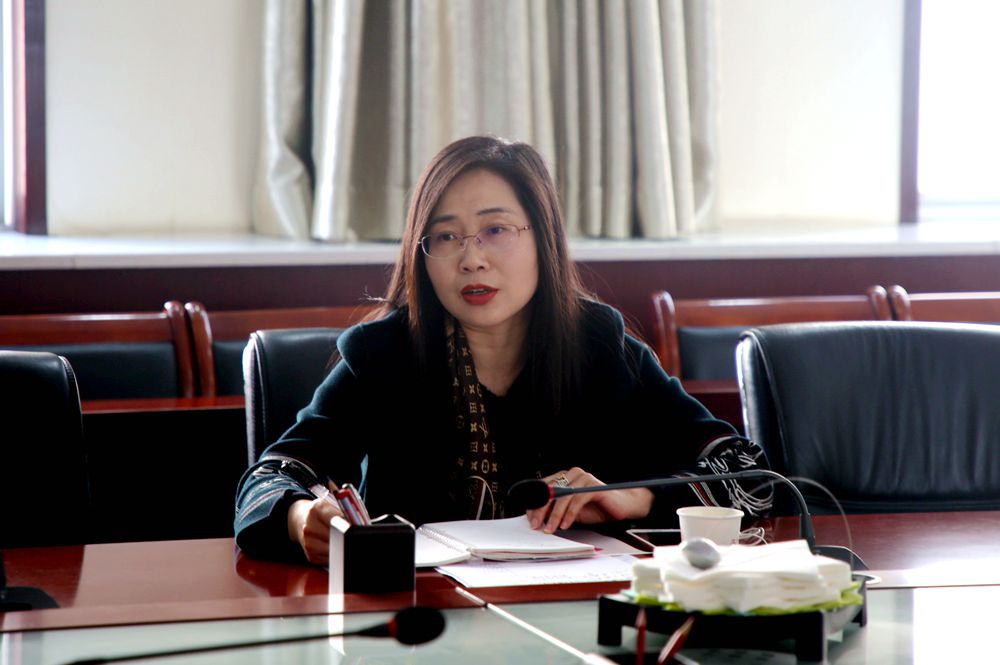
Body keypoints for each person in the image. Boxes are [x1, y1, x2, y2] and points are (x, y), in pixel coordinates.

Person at [235, 135, 772, 564]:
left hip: (576, 613)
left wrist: (639, 497)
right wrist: (299, 518)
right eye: (446, 237)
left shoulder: (600, 346)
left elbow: (751, 478)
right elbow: (268, 477)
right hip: (423, 620)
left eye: (495, 229)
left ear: (543, 238)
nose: (471, 259)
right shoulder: (383, 356)